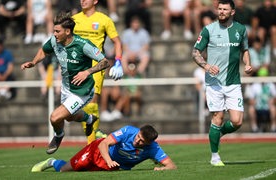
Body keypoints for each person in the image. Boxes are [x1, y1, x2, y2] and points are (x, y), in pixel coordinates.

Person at [21, 13, 111, 155]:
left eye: (57, 31)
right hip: (66, 88)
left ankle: (58, 136)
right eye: (54, 31)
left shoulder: (83, 45)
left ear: (67, 32)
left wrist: (87, 72)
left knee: (55, 117)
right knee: (69, 117)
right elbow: (44, 51)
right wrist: (33, 62)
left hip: (83, 92)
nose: (54, 34)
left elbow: (105, 62)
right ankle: (89, 119)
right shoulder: (54, 41)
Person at [192, 0, 252, 166]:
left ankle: (217, 133)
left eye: (225, 9)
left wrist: (247, 63)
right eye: (220, 9)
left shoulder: (240, 29)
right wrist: (206, 65)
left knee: (237, 121)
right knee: (217, 117)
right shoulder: (208, 30)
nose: (222, 12)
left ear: (232, 12)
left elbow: (245, 50)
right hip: (214, 83)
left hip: (233, 82)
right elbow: (195, 52)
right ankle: (215, 156)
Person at [72, 0, 123, 144]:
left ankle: (91, 143)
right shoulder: (74, 20)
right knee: (79, 105)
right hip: (77, 65)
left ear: (95, 1)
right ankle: (95, 132)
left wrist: (118, 62)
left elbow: (117, 42)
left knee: (92, 101)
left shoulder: (104, 20)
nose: (83, 1)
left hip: (96, 65)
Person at [31, 124, 177, 172]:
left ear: (148, 143)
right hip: (98, 150)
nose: (137, 141)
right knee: (68, 169)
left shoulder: (153, 148)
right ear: (137, 131)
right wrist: (108, 160)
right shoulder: (128, 131)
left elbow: (171, 165)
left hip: (112, 165)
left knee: (84, 173)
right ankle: (51, 162)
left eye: (141, 141)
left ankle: (106, 136)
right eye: (138, 136)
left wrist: (161, 168)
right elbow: (103, 145)